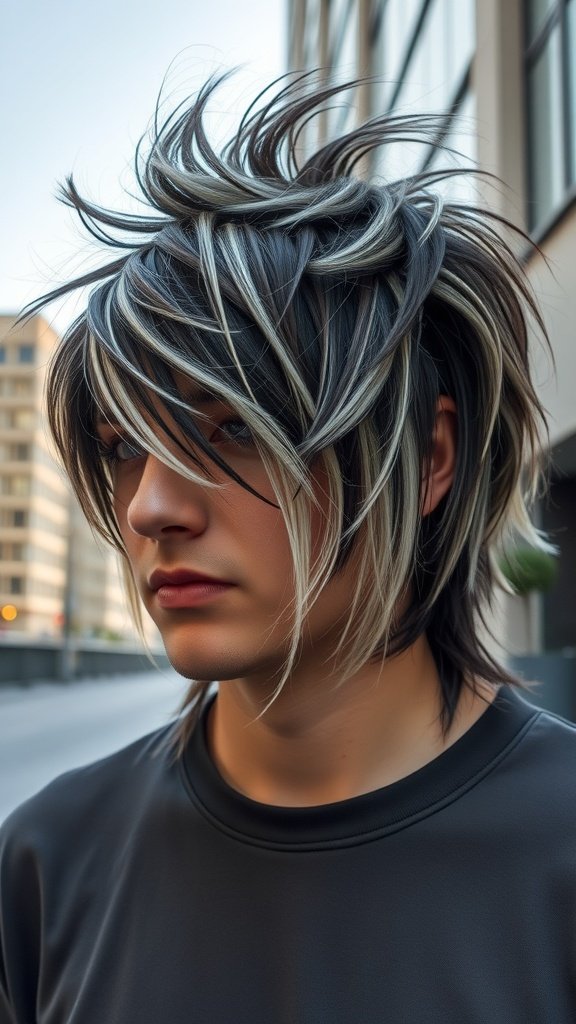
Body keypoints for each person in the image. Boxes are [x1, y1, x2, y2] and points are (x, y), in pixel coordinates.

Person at [0, 71, 574, 1024]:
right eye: (124, 447)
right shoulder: (44, 865)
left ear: (429, 458)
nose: (150, 507)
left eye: (232, 429)